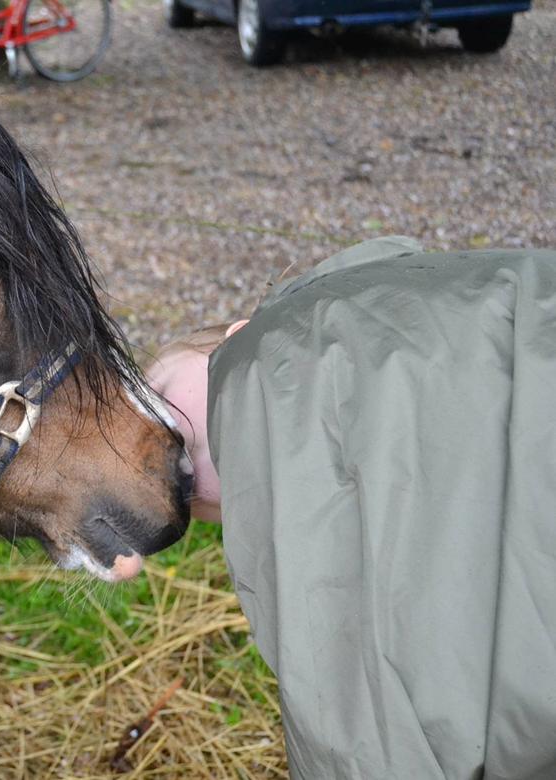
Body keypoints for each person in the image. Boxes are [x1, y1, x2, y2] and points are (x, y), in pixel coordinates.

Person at [146, 236, 556, 780]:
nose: (155, 454)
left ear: (240, 337)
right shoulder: (321, 527)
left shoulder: (313, 342)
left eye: (159, 394)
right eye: (197, 504)